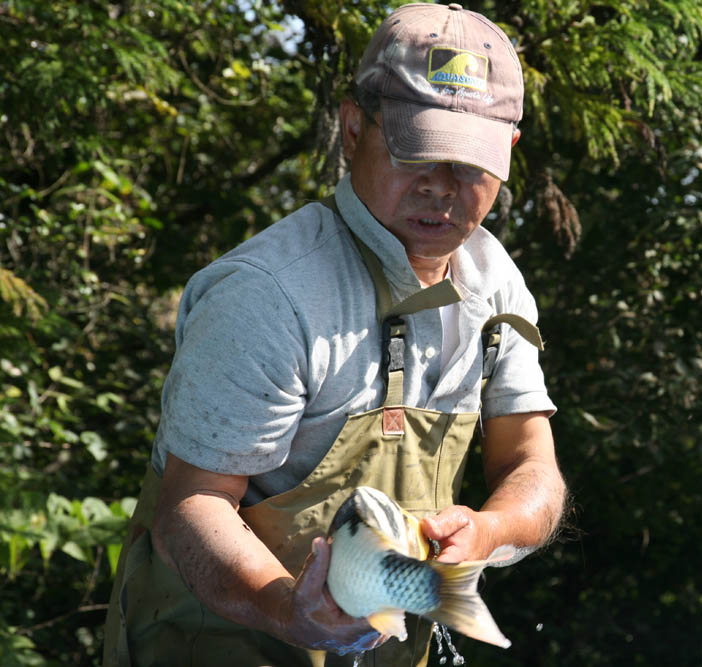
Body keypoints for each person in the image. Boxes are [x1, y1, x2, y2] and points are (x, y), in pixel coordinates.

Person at [102, 3, 566, 666]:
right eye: (415, 151)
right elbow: (191, 509)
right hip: (216, 641)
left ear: (507, 154)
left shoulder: (496, 287)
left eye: (468, 163)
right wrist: (288, 608)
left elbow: (534, 468)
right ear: (353, 129)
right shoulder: (270, 294)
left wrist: (488, 532)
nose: (440, 186)